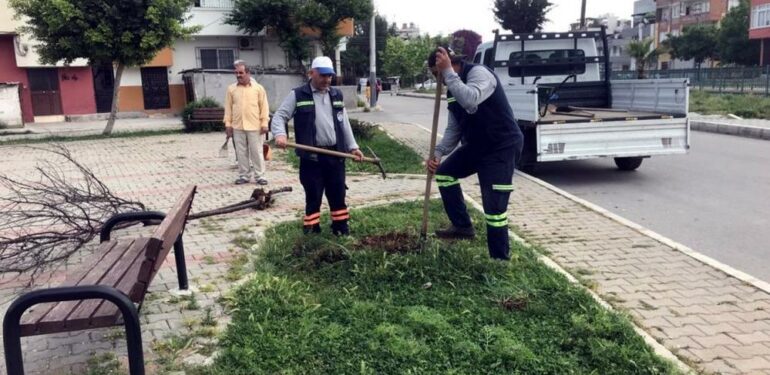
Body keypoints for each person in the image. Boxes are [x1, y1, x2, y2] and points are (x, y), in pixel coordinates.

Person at [426, 47, 524, 260]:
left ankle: (499, 259)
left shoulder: (479, 73)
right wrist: (438, 153)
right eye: (435, 74)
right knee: (444, 174)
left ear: (451, 63)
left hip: (501, 146)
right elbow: (455, 128)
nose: (438, 79)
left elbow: (471, 99)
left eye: (437, 73)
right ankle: (462, 227)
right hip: (477, 146)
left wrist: (448, 72)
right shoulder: (453, 89)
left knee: (494, 209)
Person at [271, 56, 364, 235]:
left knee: (338, 193)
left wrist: (353, 146)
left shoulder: (336, 94)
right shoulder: (298, 94)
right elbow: (279, 116)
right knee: (313, 195)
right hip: (311, 157)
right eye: (323, 76)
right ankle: (312, 230)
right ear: (311, 73)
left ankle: (340, 228)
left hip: (336, 156)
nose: (327, 80)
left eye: (330, 76)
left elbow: (344, 122)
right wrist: (280, 134)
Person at [224, 60, 270, 185]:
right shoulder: (231, 89)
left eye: (241, 72)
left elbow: (264, 107)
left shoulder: (258, 88)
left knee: (257, 151)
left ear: (248, 73)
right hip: (238, 126)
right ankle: (244, 175)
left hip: (255, 126)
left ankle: (260, 176)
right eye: (236, 73)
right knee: (241, 152)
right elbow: (228, 108)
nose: (238, 75)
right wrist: (228, 124)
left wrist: (264, 123)